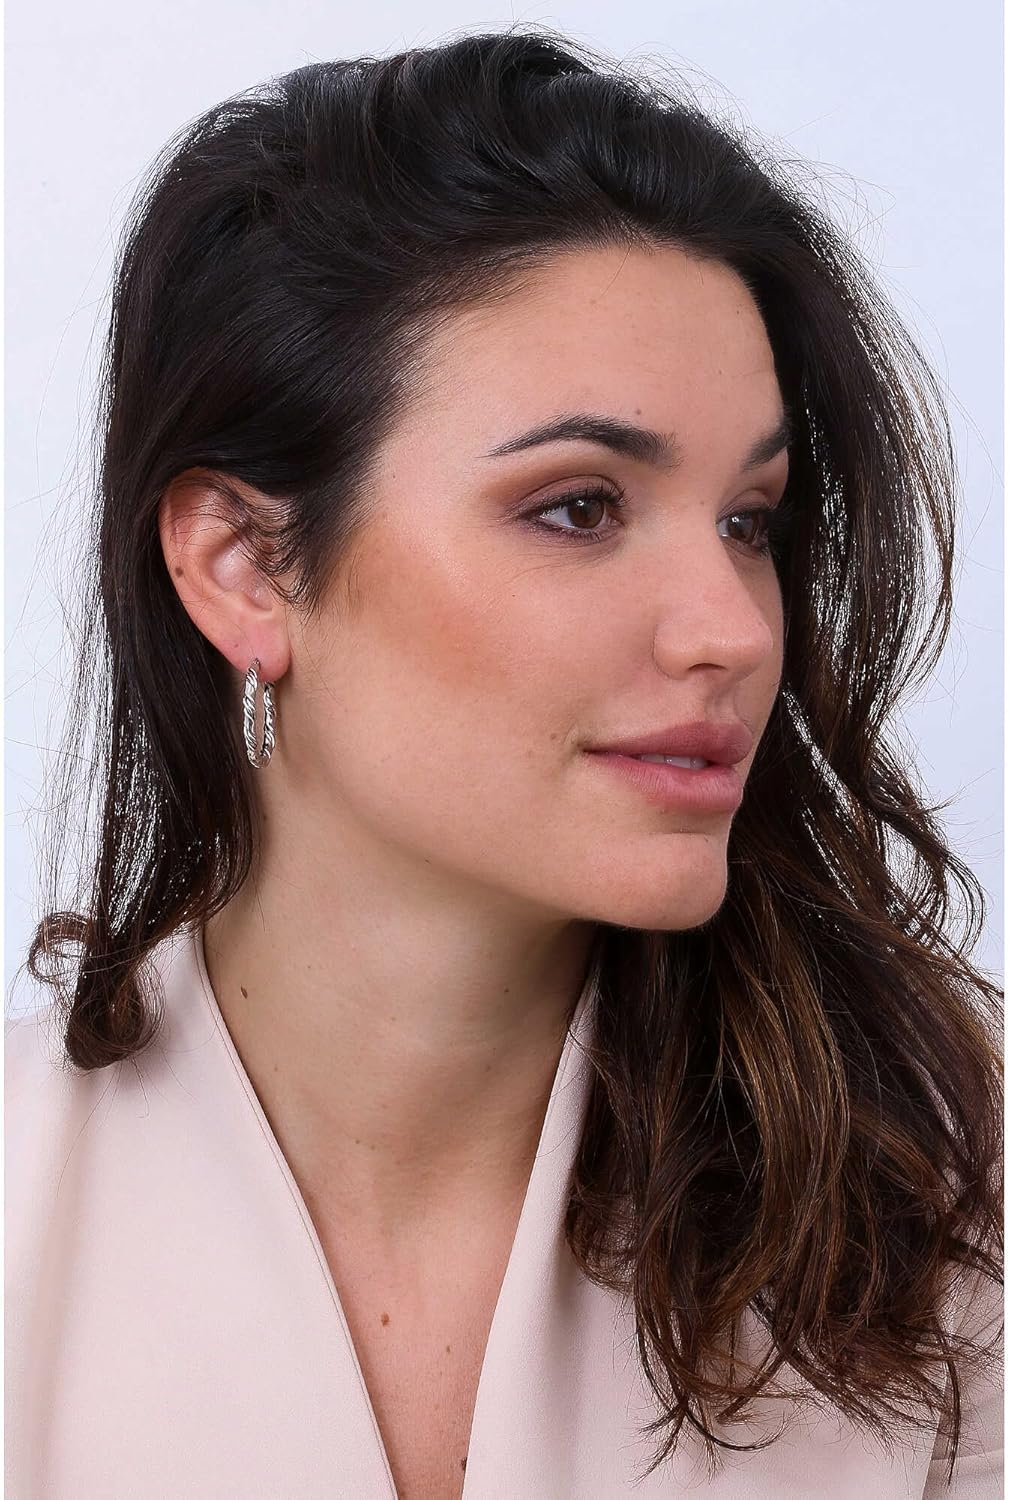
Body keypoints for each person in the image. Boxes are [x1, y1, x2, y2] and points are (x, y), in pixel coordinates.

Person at [6, 25, 1002, 1500]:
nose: (732, 629)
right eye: (578, 507)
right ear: (243, 565)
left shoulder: (948, 1210)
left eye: (749, 521)